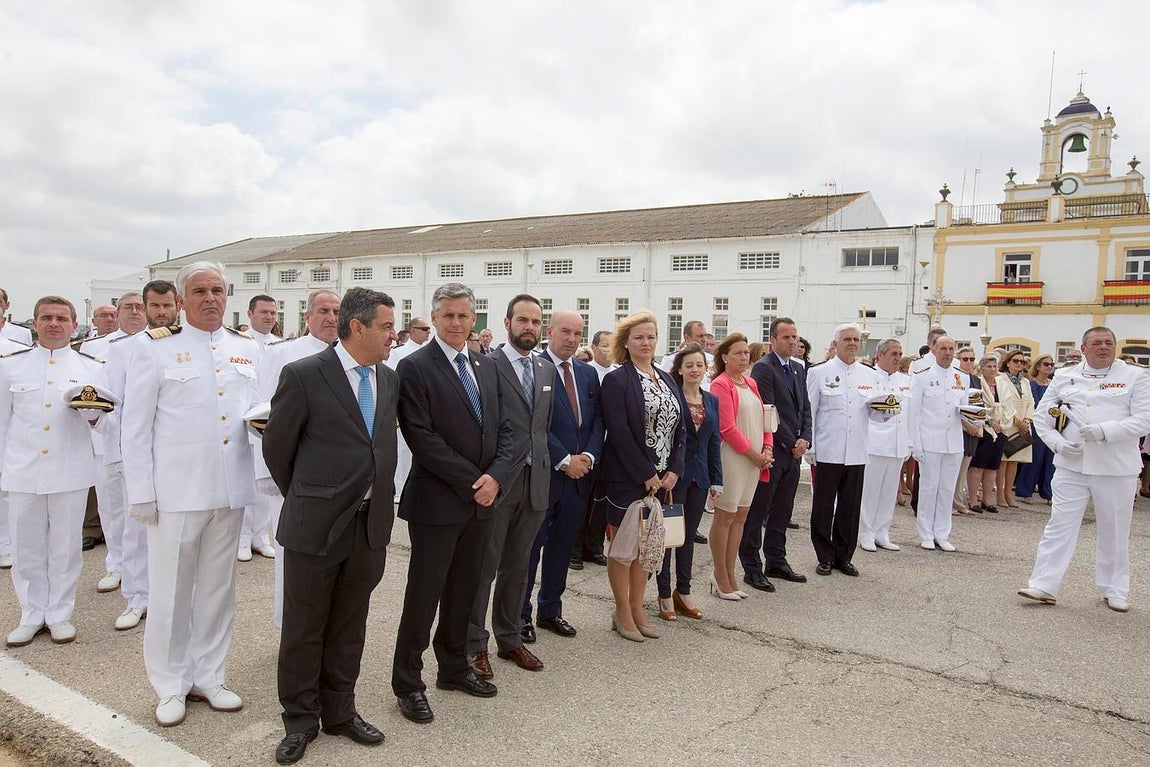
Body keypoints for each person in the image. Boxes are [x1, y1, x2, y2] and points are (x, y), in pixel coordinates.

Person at [121, 261, 261, 727]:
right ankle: (170, 683)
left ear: (228, 296)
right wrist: (141, 494)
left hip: (229, 487)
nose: (210, 298)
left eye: (218, 290)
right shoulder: (156, 350)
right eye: (199, 290)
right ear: (182, 301)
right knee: (172, 592)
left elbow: (257, 416)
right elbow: (136, 428)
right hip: (177, 491)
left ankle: (209, 675)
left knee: (218, 591)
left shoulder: (245, 348)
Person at [262, 288, 398, 765]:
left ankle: (341, 710)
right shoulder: (303, 374)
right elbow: (278, 451)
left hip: (369, 526)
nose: (393, 335)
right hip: (315, 524)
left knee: (349, 624)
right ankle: (300, 720)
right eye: (385, 326)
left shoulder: (389, 378)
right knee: (304, 627)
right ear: (356, 327)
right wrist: (310, 496)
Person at [391, 283, 517, 725]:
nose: (457, 324)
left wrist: (496, 478)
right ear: (434, 316)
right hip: (438, 502)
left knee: (465, 592)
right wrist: (473, 480)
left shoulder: (484, 364)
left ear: (474, 318)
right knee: (423, 596)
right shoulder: (414, 367)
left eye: (465, 316)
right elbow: (421, 437)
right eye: (448, 316)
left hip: (483, 501)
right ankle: (408, 684)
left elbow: (508, 430)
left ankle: (454, 667)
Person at [1, 296, 111, 647]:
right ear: (33, 323)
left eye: (61, 318)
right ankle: (31, 613)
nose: (53, 323)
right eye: (46, 317)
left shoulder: (92, 367)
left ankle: (60, 613)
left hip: (70, 470)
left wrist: (93, 416)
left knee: (66, 548)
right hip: (23, 469)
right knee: (26, 547)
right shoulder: (10, 367)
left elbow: (106, 424)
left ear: (73, 324)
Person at [1019, 327, 1150, 612]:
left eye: (1109, 343)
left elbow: (1144, 420)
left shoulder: (1135, 376)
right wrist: (1058, 444)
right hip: (1071, 464)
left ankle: (1114, 588)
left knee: (1114, 529)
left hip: (1115, 466)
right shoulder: (1065, 376)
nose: (1103, 347)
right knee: (1059, 525)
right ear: (1084, 347)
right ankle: (1043, 584)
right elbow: (1043, 417)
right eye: (1097, 343)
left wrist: (1105, 431)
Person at [466, 295, 553, 678]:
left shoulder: (545, 370)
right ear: (506, 322)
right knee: (483, 567)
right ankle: (474, 644)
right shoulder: (485, 365)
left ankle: (510, 638)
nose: (529, 327)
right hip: (499, 483)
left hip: (536, 483)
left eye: (535, 321)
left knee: (518, 567)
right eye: (522, 320)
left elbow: (543, 428)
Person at [253, 290, 342, 629]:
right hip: (294, 475)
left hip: (338, 478)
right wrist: (268, 476)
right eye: (323, 310)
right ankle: (288, 628)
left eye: (336, 311)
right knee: (291, 557)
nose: (331, 317)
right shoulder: (284, 354)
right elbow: (264, 415)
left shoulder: (351, 354)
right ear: (307, 317)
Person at [594, 312, 686, 641]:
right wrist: (646, 472)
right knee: (624, 548)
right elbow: (617, 431)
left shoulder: (667, 378)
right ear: (626, 343)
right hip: (628, 478)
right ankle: (622, 611)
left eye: (651, 336)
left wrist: (674, 468)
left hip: (663, 480)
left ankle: (637, 608)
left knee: (648, 548)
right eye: (639, 338)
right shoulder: (618, 380)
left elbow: (681, 429)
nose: (646, 343)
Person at [102, 280, 180, 631]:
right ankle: (136, 597)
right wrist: (116, 455)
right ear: (144, 307)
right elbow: (115, 406)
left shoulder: (184, 344)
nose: (161, 312)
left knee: (171, 532)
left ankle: (165, 597)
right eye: (155, 306)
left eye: (167, 306)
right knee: (136, 530)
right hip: (135, 452)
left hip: (173, 455)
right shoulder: (124, 349)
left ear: (176, 305)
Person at [521, 310, 604, 639]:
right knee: (531, 548)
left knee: (561, 546)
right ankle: (520, 614)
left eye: (577, 333)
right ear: (549, 332)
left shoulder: (586, 373)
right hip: (545, 473)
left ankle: (550, 610)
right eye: (565, 332)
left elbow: (597, 420)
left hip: (579, 477)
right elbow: (532, 422)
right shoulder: (533, 368)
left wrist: (588, 455)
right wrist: (564, 459)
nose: (571, 339)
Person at [78, 293, 146, 597]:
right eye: (127, 307)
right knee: (111, 505)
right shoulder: (94, 348)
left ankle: (140, 570)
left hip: (139, 437)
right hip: (104, 435)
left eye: (139, 307)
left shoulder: (156, 343)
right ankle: (115, 563)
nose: (134, 312)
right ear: (116, 314)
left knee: (139, 509)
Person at [740, 318, 811, 587]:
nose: (793, 342)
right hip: (773, 451)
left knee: (783, 510)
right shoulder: (763, 368)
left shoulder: (797, 368)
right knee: (759, 512)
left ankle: (776, 560)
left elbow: (805, 407)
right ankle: (751, 566)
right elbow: (767, 411)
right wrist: (789, 442)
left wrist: (805, 438)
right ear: (773, 340)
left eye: (795, 337)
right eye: (786, 338)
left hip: (794, 451)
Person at [657, 343, 720, 620]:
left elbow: (713, 443)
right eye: (689, 365)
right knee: (668, 538)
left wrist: (717, 480)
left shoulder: (711, 400)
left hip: (701, 477)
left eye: (699, 365)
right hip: (675, 477)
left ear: (706, 369)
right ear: (679, 370)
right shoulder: (672, 397)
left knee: (688, 538)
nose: (695, 370)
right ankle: (663, 593)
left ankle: (683, 591)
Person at [806, 324, 872, 577]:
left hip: (856, 450)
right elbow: (811, 411)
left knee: (850, 507)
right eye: (847, 339)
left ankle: (844, 556)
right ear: (836, 343)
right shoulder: (819, 372)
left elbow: (874, 411)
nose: (852, 343)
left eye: (856, 339)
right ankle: (824, 555)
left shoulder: (868, 374)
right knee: (823, 506)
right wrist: (810, 446)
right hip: (828, 448)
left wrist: (887, 413)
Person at [708, 333, 771, 597]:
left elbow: (766, 417)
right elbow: (726, 427)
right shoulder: (721, 385)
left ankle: (731, 572)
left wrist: (767, 446)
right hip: (734, 457)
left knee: (741, 516)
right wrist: (753, 454)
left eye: (746, 352)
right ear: (724, 357)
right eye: (738, 353)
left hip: (754, 459)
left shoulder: (751, 383)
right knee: (725, 516)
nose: (744, 357)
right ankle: (719, 574)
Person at [908, 335, 968, 551]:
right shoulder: (922, 377)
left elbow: (966, 409)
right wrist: (915, 444)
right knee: (928, 488)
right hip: (930, 441)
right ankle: (926, 533)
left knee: (946, 489)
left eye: (951, 348)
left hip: (953, 442)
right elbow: (913, 414)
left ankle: (942, 533)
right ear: (933, 350)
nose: (948, 352)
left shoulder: (962, 377)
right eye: (943, 348)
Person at [858, 339, 910, 552]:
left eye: (900, 354)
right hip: (875, 442)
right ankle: (865, 532)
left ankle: (882, 531)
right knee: (870, 492)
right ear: (880, 355)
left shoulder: (906, 380)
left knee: (888, 492)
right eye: (893, 354)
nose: (897, 358)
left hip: (898, 443)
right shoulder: (867, 376)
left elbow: (911, 413)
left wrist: (910, 443)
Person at [966, 354, 1007, 513]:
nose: (992, 369)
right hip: (985, 428)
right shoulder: (977, 383)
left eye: (994, 366)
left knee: (992, 467)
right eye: (988, 366)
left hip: (1001, 429)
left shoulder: (1001, 385)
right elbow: (976, 405)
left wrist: (1002, 424)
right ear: (982, 368)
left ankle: (988, 500)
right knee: (977, 467)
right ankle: (973, 499)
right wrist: (991, 422)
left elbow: (1008, 406)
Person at [1015, 355, 1057, 504]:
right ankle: (1026, 491)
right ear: (1038, 366)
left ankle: (1048, 493)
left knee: (1050, 460)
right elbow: (1035, 403)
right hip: (1037, 423)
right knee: (1035, 458)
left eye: (1051, 364)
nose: (1049, 367)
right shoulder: (1032, 384)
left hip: (1053, 425)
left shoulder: (1053, 384)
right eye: (1046, 364)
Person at [996, 348, 1035, 509]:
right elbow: (1003, 403)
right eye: (1016, 361)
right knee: (1003, 461)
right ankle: (999, 494)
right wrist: (1017, 421)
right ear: (1008, 363)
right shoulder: (1001, 379)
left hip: (1023, 426)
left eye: (1022, 362)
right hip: (1008, 423)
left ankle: (1008, 493)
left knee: (1014, 462)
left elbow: (1031, 402)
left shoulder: (1025, 382)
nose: (1019, 364)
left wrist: (1026, 420)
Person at [952, 348, 983, 515]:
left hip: (973, 428)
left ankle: (959, 500)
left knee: (964, 468)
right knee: (953, 469)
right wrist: (967, 425)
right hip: (959, 428)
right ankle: (951, 502)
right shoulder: (954, 378)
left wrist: (978, 423)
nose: (969, 362)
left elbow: (979, 404)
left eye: (972, 359)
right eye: (965, 359)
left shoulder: (975, 380)